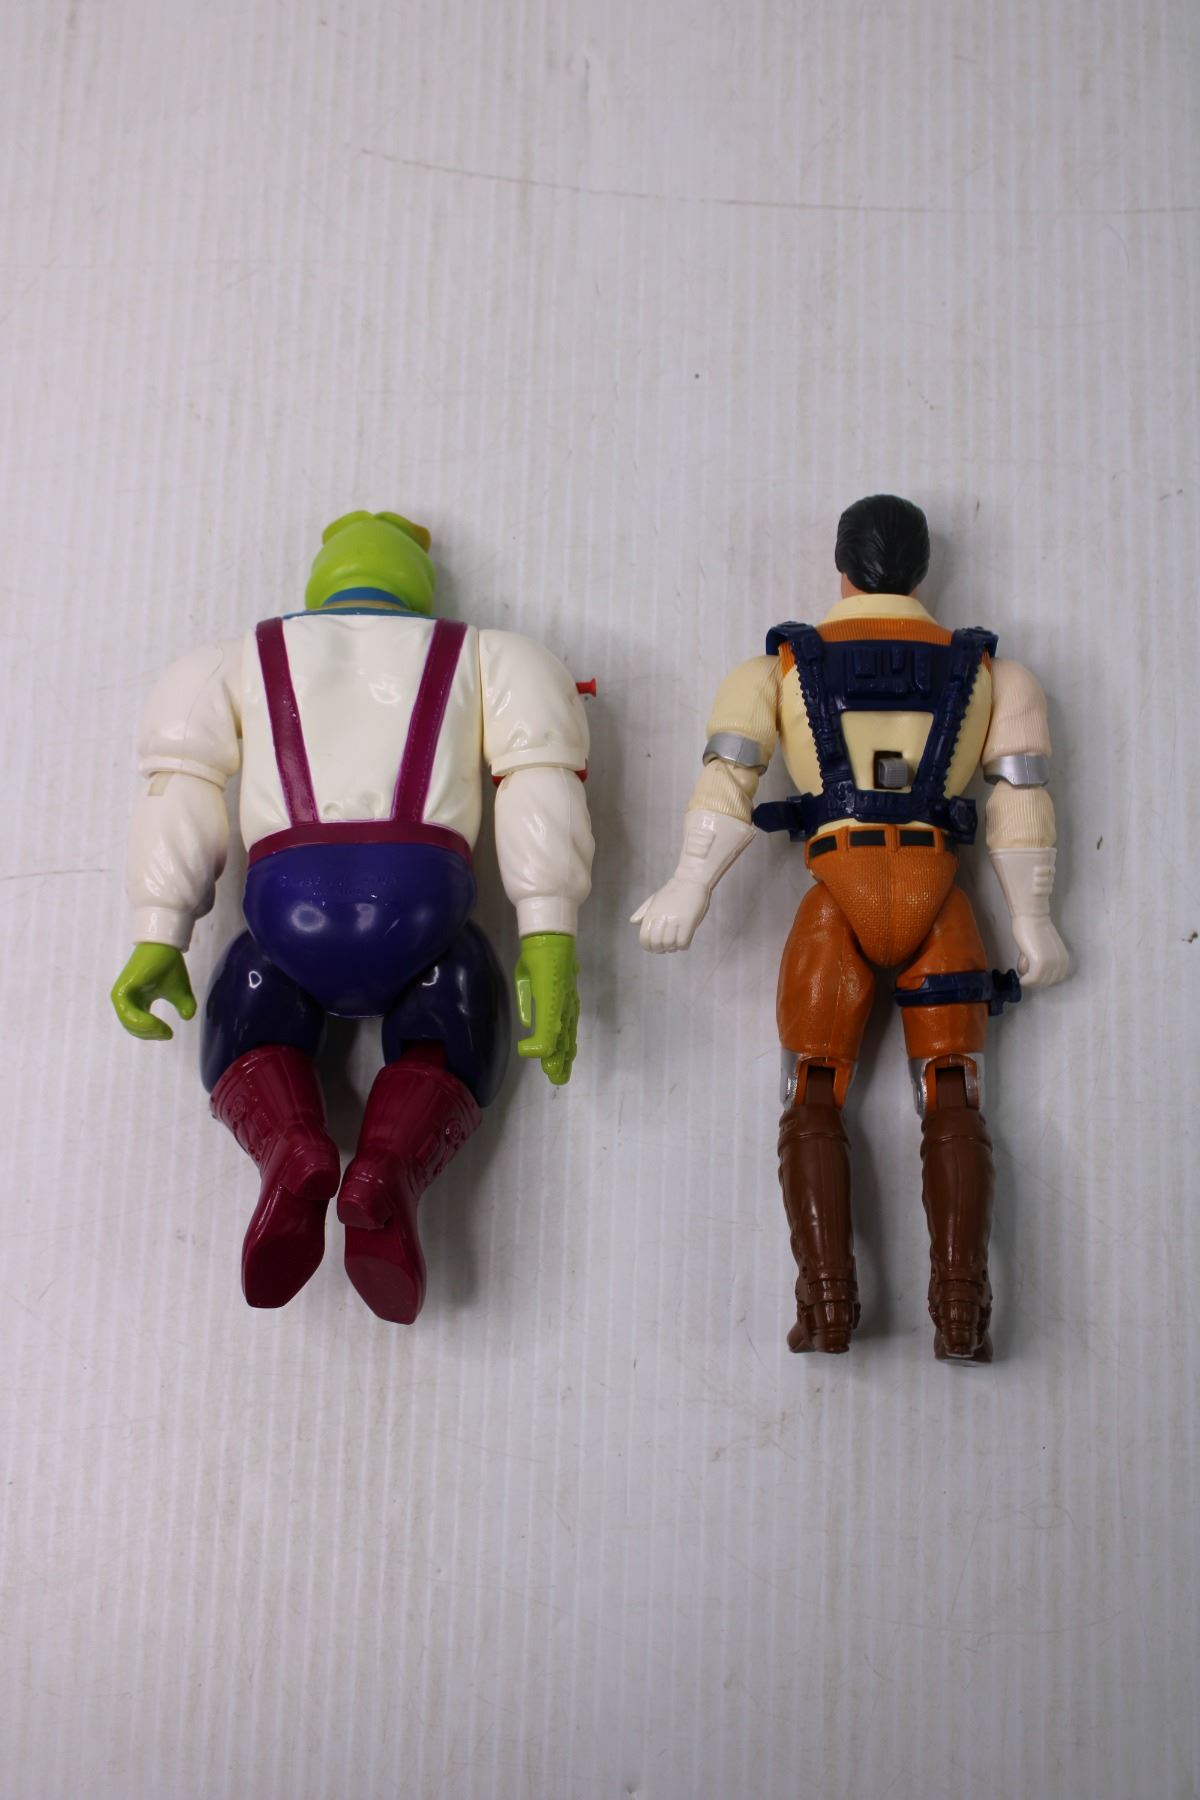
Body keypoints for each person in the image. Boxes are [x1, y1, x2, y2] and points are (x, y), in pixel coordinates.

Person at [112, 510, 594, 1322]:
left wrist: (160, 931)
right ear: (418, 584)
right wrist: (549, 933)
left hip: (285, 916)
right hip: (424, 912)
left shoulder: (229, 662)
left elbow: (179, 793)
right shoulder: (493, 656)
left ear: (322, 581)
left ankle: (288, 1145)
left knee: (250, 1008)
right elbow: (540, 785)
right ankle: (390, 1165)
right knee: (458, 1013)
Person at [633, 495, 1068, 1361]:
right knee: (954, 1091)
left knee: (813, 1090)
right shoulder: (995, 674)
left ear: (840, 570)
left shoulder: (779, 668)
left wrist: (690, 882)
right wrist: (1034, 920)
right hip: (940, 895)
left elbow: (728, 780)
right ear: (922, 571)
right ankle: (962, 1310)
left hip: (836, 890)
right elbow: (1022, 801)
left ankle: (826, 1302)